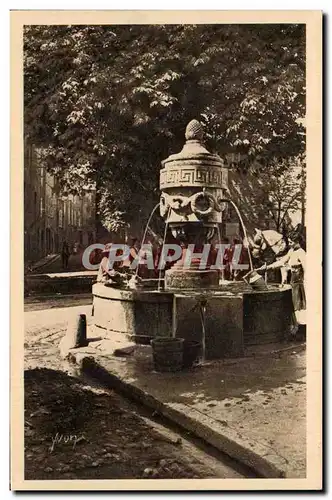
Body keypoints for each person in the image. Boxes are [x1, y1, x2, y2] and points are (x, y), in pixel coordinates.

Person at [256, 234, 306, 327]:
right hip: (292, 281)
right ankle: (295, 328)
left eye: (291, 242)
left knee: (298, 307)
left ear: (297, 242)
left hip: (299, 283)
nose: (289, 244)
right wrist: (267, 267)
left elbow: (307, 269)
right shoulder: (292, 251)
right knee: (292, 306)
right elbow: (281, 262)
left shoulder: (301, 253)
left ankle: (300, 330)